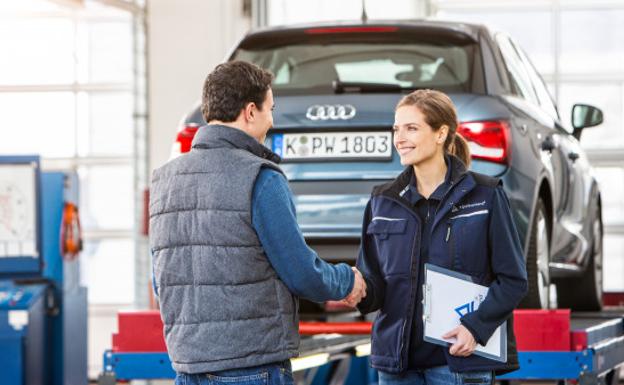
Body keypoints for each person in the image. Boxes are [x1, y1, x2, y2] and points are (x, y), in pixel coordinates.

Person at [149, 61, 366, 385]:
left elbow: (161, 280)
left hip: (188, 366)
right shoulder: (259, 177)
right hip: (251, 367)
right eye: (270, 109)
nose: (272, 120)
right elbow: (301, 273)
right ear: (250, 111)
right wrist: (346, 281)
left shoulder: (164, 180)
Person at [355, 89, 528, 384]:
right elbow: (374, 285)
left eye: (412, 128)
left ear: (440, 134)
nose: (399, 138)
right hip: (398, 369)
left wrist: (476, 328)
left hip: (460, 363)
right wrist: (354, 288)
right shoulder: (382, 202)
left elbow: (513, 280)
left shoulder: (485, 196)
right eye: (396, 129)